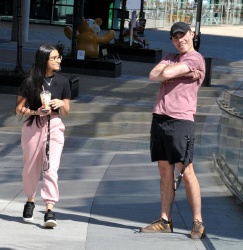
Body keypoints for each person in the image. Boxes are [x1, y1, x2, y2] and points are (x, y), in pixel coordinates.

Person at [140, 22, 206, 239]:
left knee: (186, 171)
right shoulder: (170, 55)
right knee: (164, 171)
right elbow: (153, 74)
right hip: (159, 118)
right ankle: (165, 220)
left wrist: (169, 73)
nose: (180, 40)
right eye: (175, 37)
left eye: (183, 35)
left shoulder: (196, 59)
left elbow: (166, 72)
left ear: (192, 34)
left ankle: (198, 222)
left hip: (180, 120)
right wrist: (183, 75)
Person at [16, 44, 71, 228]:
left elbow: (66, 112)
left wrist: (60, 103)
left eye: (59, 57)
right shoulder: (30, 81)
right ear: (44, 60)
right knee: (30, 168)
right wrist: (35, 111)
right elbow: (19, 109)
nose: (58, 61)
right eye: (53, 58)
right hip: (33, 126)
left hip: (54, 126)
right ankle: (30, 200)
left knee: (51, 168)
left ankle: (49, 209)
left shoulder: (63, 82)